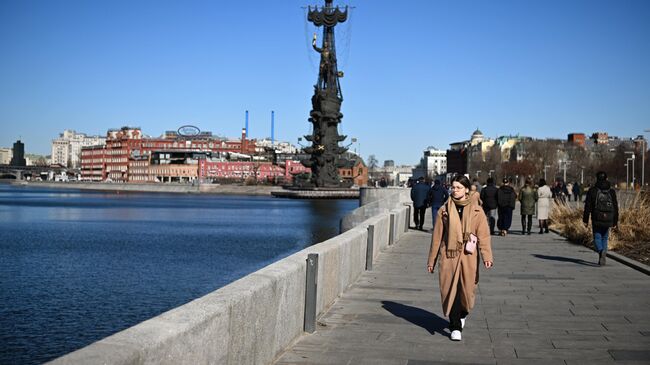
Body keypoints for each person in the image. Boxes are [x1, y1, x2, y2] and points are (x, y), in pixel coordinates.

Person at [427, 175, 493, 342]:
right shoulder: (444, 210)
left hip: (468, 256)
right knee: (451, 289)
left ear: (466, 189)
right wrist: (432, 260)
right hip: (449, 255)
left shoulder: (477, 210)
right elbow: (437, 236)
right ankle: (455, 326)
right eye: (453, 187)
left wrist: (487, 256)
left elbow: (483, 235)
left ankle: (463, 313)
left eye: (458, 188)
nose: (454, 190)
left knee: (467, 289)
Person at [583, 171, 619, 266]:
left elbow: (588, 206)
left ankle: (600, 251)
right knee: (605, 237)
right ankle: (603, 255)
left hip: (596, 217)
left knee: (597, 236)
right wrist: (615, 221)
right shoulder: (611, 191)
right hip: (609, 218)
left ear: (597, 179)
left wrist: (585, 220)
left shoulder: (592, 191)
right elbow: (615, 206)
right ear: (606, 179)